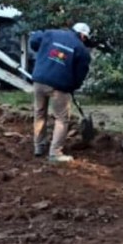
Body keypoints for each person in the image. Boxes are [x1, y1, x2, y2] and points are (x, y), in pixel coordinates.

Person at [29, 22, 93, 163]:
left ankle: (38, 147)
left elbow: (34, 40)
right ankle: (55, 153)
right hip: (59, 87)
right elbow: (81, 74)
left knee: (39, 113)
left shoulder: (51, 33)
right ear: (82, 35)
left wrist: (42, 50)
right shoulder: (81, 50)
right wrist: (73, 86)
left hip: (39, 80)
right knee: (62, 119)